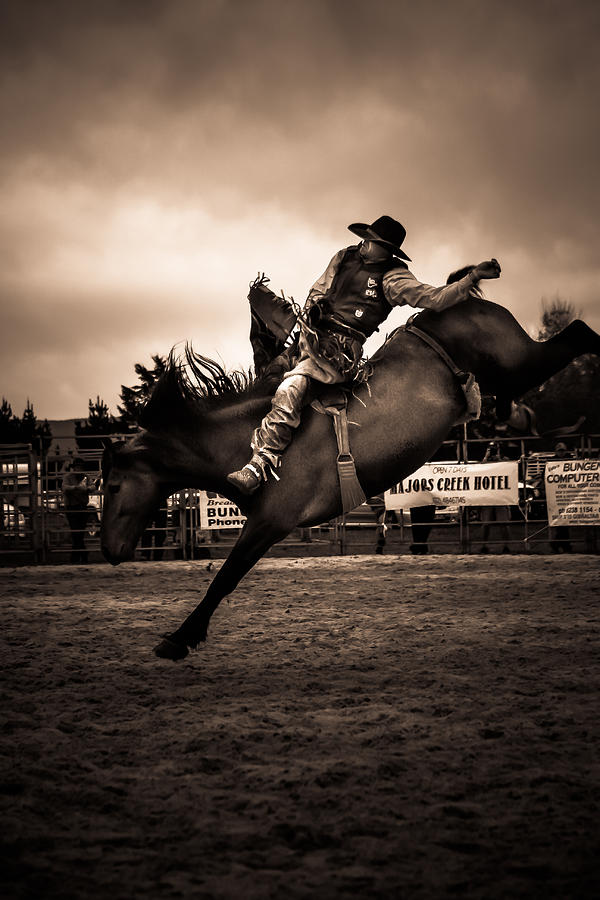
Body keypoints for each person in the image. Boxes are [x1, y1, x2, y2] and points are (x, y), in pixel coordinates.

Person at [227, 215, 501, 495]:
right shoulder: (344, 256)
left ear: (385, 250)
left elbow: (433, 298)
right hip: (309, 339)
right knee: (264, 380)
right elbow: (318, 290)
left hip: (338, 355)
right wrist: (307, 314)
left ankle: (260, 464)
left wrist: (473, 277)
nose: (365, 244)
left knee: (290, 388)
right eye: (366, 238)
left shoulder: (394, 278)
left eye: (372, 241)